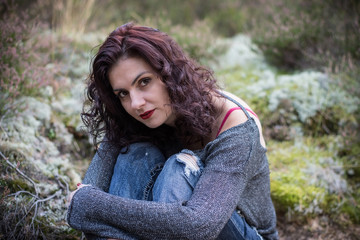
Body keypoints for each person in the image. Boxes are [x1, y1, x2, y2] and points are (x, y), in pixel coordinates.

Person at [66, 22, 278, 240]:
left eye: (144, 82)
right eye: (122, 93)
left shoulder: (234, 125)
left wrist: (92, 206)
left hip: (241, 232)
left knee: (179, 169)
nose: (136, 103)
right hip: (174, 227)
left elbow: (199, 225)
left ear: (169, 73)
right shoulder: (136, 114)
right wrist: (89, 205)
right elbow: (88, 196)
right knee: (135, 155)